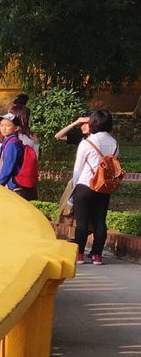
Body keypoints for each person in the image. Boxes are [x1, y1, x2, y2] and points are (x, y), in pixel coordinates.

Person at [56, 110, 120, 264]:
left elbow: (77, 169)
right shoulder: (115, 143)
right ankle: (97, 255)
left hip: (85, 185)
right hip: (103, 187)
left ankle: (79, 255)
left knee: (82, 221)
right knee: (100, 221)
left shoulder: (87, 142)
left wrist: (75, 187)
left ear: (94, 123)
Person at [0, 111, 35, 200]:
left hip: (12, 186)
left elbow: (8, 167)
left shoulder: (12, 144)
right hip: (10, 185)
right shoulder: (7, 141)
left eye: (7, 126)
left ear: (16, 128)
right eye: (1, 125)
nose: (3, 128)